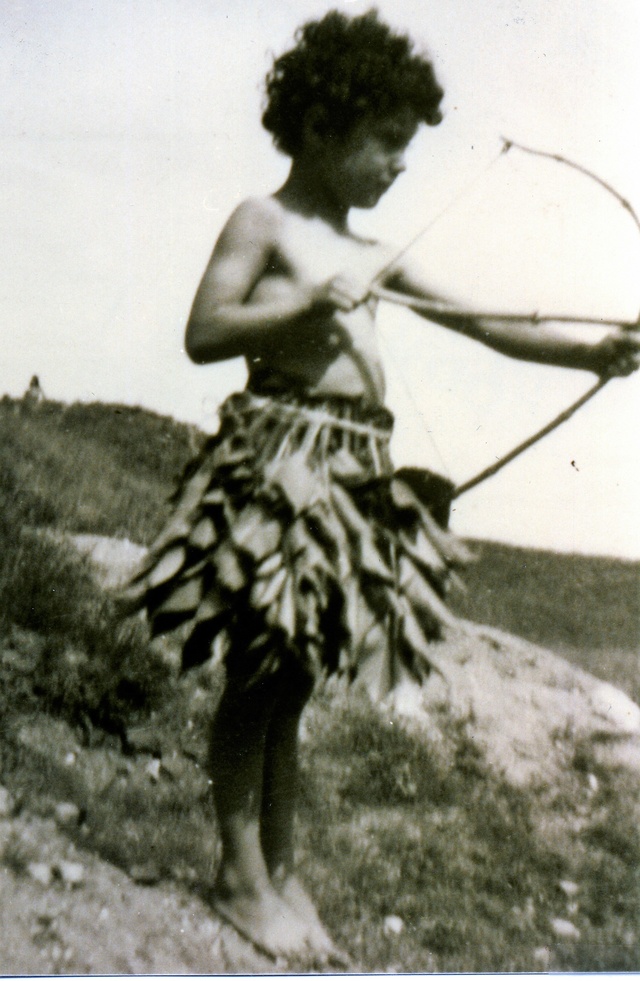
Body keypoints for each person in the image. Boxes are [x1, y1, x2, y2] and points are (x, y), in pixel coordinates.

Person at [122, 9, 640, 963]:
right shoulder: (263, 221)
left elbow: (487, 322)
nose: (399, 164)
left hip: (356, 474)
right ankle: (240, 871)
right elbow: (206, 332)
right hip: (279, 463)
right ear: (321, 126)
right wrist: (306, 300)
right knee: (259, 671)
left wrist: (590, 352)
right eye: (386, 142)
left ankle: (280, 870)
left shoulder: (375, 253)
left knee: (298, 679)